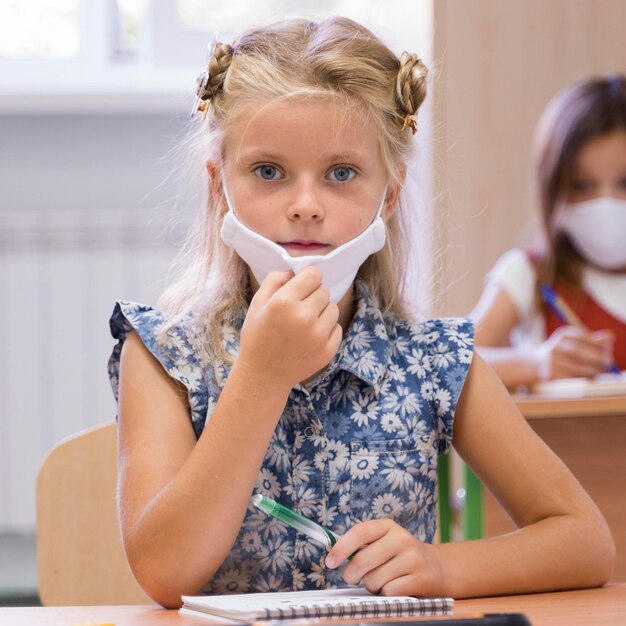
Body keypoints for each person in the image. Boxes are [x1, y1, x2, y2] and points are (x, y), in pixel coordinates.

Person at [108, 18, 615, 608]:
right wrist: (261, 376)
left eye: (341, 174)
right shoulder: (162, 353)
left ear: (390, 193)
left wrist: (442, 568)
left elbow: (586, 541)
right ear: (220, 185)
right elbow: (164, 573)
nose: (304, 206)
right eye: (267, 172)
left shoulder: (435, 361)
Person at [471, 76, 626, 390]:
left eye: (625, 184)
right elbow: (451, 362)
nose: (606, 203)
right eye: (582, 186)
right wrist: (536, 363)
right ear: (552, 190)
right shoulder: (529, 274)